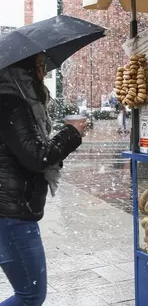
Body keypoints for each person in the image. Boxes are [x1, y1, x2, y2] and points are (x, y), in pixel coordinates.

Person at [0, 53, 86, 305]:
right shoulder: (10, 102)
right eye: (38, 66)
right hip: (11, 213)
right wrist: (72, 133)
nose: (44, 72)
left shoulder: (13, 100)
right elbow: (36, 157)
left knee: (30, 293)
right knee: (30, 295)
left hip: (11, 208)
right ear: (22, 69)